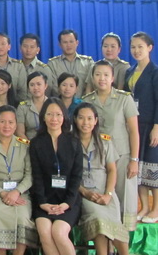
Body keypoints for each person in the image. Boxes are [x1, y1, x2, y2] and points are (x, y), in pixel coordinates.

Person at [83, 60, 139, 230]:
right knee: (103, 199)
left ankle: (124, 243)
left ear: (112, 77)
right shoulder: (87, 101)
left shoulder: (124, 99)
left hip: (122, 157)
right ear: (92, 77)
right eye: (98, 74)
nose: (102, 78)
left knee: (125, 200)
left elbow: (134, 131)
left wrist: (134, 159)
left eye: (106, 75)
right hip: (98, 159)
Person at [73, 102, 130, 255]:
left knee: (116, 228)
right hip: (83, 193)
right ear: (75, 119)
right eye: (81, 118)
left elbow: (112, 170)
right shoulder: (69, 142)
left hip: (105, 192)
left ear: (96, 120)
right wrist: (85, 193)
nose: (86, 123)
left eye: (90, 118)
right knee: (99, 220)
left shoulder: (104, 141)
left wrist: (108, 195)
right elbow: (68, 175)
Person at [0, 105, 37, 255]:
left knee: (23, 216)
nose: (7, 126)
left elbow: (30, 175)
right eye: (2, 122)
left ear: (15, 123)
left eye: (11, 122)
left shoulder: (25, 146)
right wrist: (2, 193)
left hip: (20, 191)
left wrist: (16, 192)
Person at [29, 98, 83, 255]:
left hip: (68, 200)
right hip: (44, 200)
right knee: (45, 232)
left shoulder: (73, 142)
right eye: (50, 114)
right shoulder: (36, 143)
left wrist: (67, 203)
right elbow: (36, 176)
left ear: (64, 117)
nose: (54, 119)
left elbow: (76, 176)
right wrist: (42, 203)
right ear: (43, 117)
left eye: (58, 114)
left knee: (59, 233)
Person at [124, 32, 158, 223]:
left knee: (153, 168)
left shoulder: (155, 72)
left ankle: (156, 209)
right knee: (140, 168)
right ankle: (144, 207)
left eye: (140, 47)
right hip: (135, 126)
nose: (136, 51)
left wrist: (157, 126)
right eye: (133, 47)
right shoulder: (130, 71)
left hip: (150, 125)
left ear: (149, 48)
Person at [48, 29, 94, 97]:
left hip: (83, 103)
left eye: (71, 41)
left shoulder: (88, 62)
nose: (68, 45)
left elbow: (91, 85)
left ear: (77, 43)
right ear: (60, 45)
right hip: (60, 104)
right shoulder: (53, 64)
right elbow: (53, 87)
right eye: (65, 42)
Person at [17, 72, 50, 140]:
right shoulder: (22, 107)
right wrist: (31, 146)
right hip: (29, 144)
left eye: (39, 84)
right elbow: (20, 132)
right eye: (32, 85)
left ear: (45, 86)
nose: (35, 88)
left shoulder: (53, 105)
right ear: (28, 88)